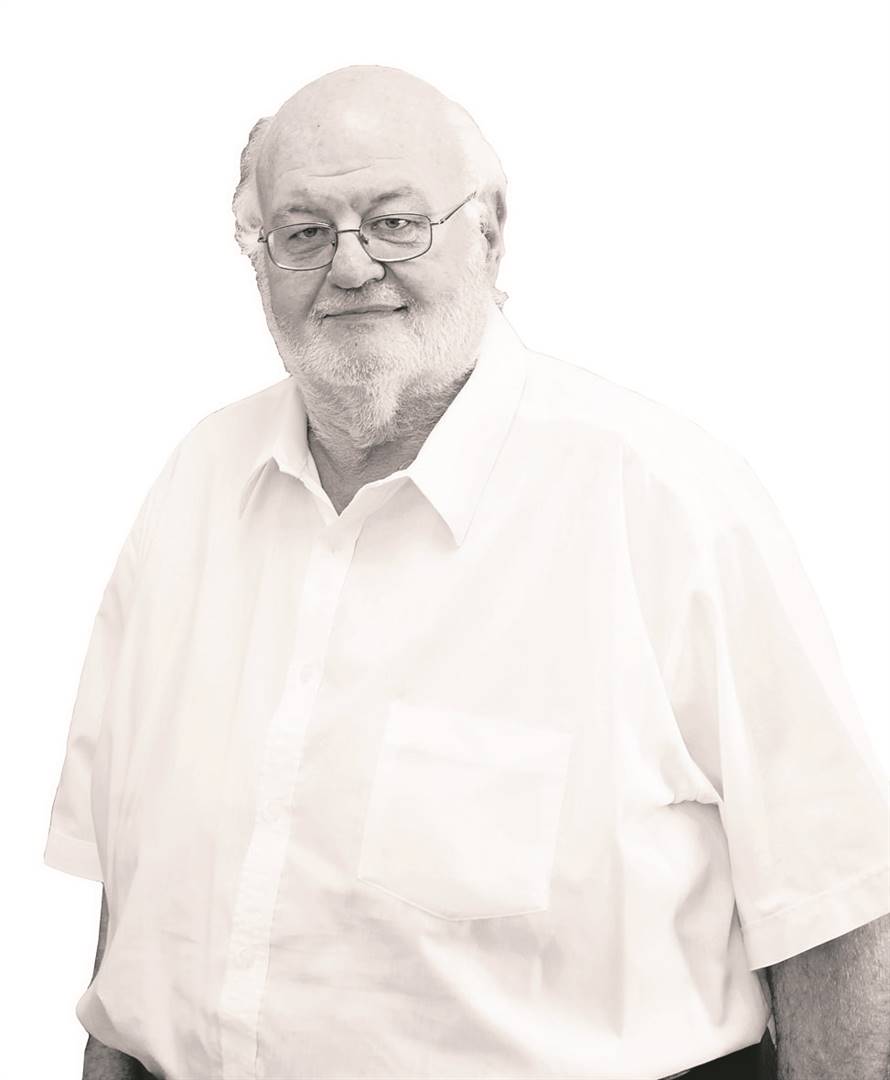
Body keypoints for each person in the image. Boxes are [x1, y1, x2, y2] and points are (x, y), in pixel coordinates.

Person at [45, 65, 889, 1080]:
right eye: (302, 231)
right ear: (256, 255)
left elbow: (833, 915)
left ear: (489, 232)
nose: (350, 265)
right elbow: (131, 897)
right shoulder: (194, 485)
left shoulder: (663, 502)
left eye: (396, 223)